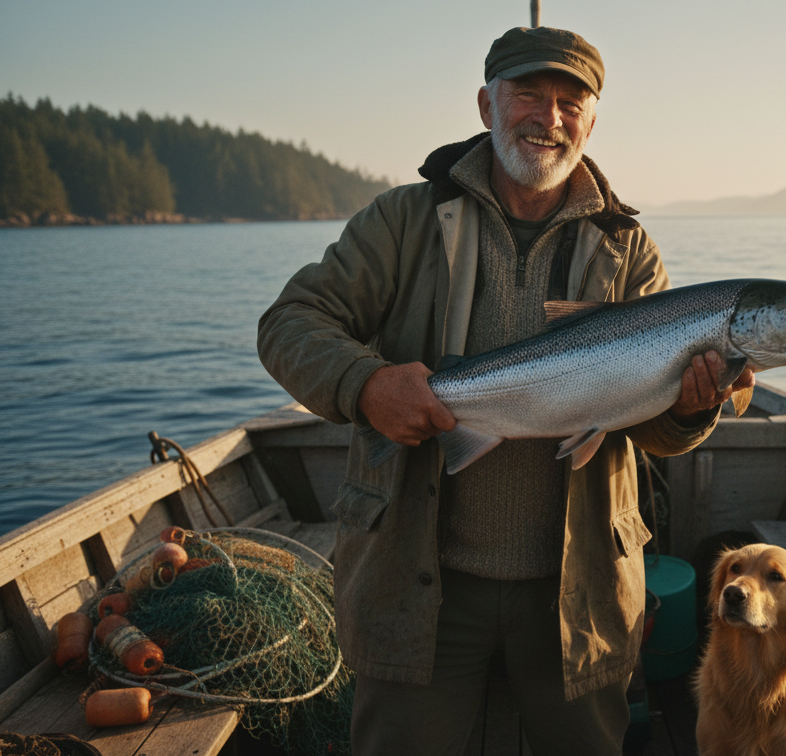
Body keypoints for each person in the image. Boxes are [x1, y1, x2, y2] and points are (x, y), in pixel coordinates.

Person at [257, 26, 753, 756]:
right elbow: (289, 323)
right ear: (486, 102)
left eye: (569, 101)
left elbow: (656, 429)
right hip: (416, 580)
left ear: (592, 118)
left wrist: (690, 410)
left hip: (576, 590)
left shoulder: (629, 250)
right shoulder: (403, 221)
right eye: (529, 94)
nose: (548, 118)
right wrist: (364, 384)